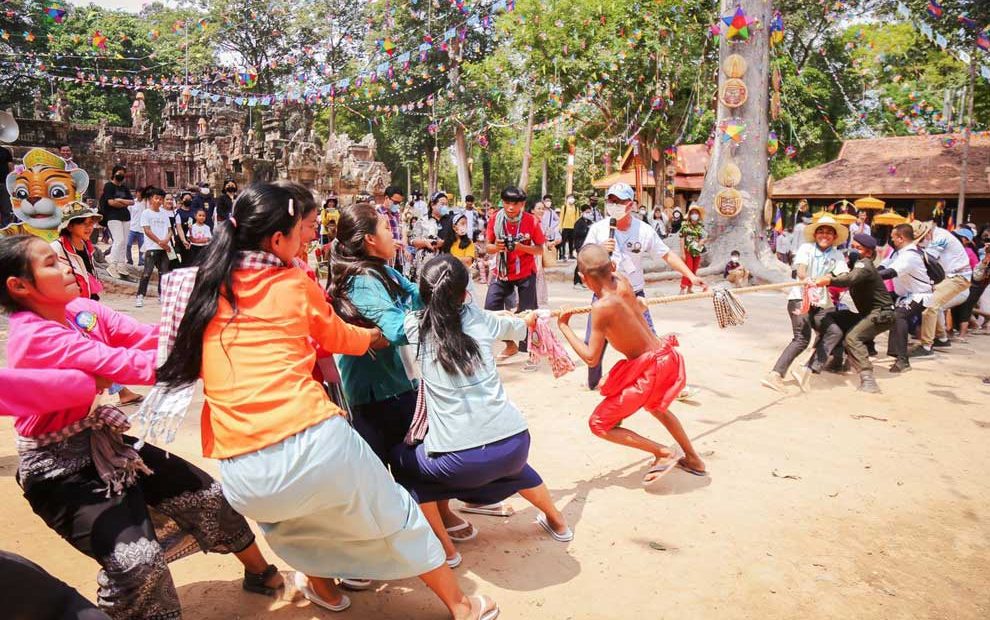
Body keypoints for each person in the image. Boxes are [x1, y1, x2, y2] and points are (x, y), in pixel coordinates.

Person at [154, 182, 498, 619]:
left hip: (242, 470)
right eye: (306, 229)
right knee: (395, 514)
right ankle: (462, 605)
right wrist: (374, 335)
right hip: (314, 440)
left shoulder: (194, 290)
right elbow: (341, 337)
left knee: (297, 529)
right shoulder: (293, 282)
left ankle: (327, 591)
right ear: (278, 239)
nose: (311, 238)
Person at [1, 234, 283, 619]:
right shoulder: (33, 337)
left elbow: (147, 337)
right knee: (138, 562)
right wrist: (216, 346)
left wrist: (206, 324)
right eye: (51, 263)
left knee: (210, 495)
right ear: (19, 286)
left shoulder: (82, 311)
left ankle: (259, 571)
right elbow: (125, 364)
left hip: (107, 444)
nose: (67, 266)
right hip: (58, 470)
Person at [394, 255, 573, 563]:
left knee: (403, 463)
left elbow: (430, 315)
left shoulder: (413, 325)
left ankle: (446, 552)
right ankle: (558, 521)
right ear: (465, 294)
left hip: (459, 462)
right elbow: (518, 328)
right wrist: (528, 318)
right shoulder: (478, 318)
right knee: (511, 464)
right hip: (516, 444)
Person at [328, 203, 482, 549]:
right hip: (372, 393)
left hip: (398, 382)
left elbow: (417, 296)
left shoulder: (383, 271)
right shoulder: (362, 281)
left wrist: (444, 284)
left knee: (422, 454)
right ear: (369, 239)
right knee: (375, 470)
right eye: (386, 228)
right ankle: (370, 544)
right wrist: (436, 312)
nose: (393, 235)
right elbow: (398, 328)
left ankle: (436, 515)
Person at [557, 244, 707, 481]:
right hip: (665, 355)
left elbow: (591, 357)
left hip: (649, 368)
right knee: (657, 407)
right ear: (613, 267)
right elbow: (635, 307)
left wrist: (564, 326)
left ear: (583, 278)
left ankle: (664, 452)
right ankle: (694, 459)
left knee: (599, 423)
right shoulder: (623, 280)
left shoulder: (601, 308)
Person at [582, 182, 705, 390]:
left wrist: (691, 276)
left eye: (619, 201)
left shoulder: (644, 230)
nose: (614, 205)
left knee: (650, 340)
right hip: (603, 295)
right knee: (593, 343)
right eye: (611, 200)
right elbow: (584, 258)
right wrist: (600, 250)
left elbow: (667, 254)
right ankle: (593, 381)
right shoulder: (597, 230)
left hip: (633, 295)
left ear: (630, 205)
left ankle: (665, 381)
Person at [762, 216, 849, 393]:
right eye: (821, 231)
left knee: (834, 332)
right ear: (816, 234)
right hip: (800, 298)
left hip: (821, 302)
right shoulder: (806, 248)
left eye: (829, 233)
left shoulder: (837, 254)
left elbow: (843, 276)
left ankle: (807, 369)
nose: (824, 235)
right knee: (802, 339)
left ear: (834, 236)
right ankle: (775, 375)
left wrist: (827, 280)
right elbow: (801, 269)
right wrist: (806, 279)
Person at [813, 233, 894, 393]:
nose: (854, 251)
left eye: (859, 248)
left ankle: (868, 380)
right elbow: (847, 277)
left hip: (882, 315)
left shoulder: (865, 265)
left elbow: (849, 279)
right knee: (833, 318)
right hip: (868, 315)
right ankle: (837, 360)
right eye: (853, 247)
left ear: (869, 252)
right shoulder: (856, 267)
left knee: (853, 337)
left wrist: (829, 280)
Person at [484, 187, 545, 360]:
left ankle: (531, 352)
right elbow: (487, 247)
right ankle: (510, 344)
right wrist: (498, 247)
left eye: (515, 204)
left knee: (527, 313)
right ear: (502, 202)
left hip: (525, 272)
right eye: (507, 203)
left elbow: (540, 250)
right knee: (490, 311)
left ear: (523, 204)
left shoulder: (531, 221)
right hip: (502, 272)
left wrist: (521, 247)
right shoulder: (495, 218)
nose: (510, 207)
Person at [877, 223, 933, 373]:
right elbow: (883, 266)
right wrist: (869, 271)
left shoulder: (910, 255)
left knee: (898, 316)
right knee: (892, 316)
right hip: (906, 296)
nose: (892, 240)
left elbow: (890, 272)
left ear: (901, 238)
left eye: (893, 237)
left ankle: (903, 360)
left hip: (920, 295)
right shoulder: (898, 253)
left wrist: (869, 276)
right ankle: (897, 354)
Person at [911, 221, 972, 356]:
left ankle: (926, 347)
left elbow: (928, 259)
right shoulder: (934, 236)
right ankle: (942, 338)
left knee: (930, 305)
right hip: (950, 277)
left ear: (927, 232)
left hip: (958, 277)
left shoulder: (941, 237)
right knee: (935, 305)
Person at [53, 201, 104, 301]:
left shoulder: (87, 246)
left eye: (91, 223)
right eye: (84, 224)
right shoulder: (55, 249)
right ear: (70, 226)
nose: (89, 228)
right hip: (70, 303)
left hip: (89, 300)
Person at [135, 187, 170, 308]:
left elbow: (170, 230)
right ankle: (140, 295)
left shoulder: (165, 213)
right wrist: (160, 241)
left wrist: (166, 241)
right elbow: (147, 230)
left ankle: (162, 295)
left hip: (164, 248)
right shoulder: (146, 213)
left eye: (161, 199)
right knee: (147, 273)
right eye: (157, 198)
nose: (159, 201)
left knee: (164, 273)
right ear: (151, 199)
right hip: (151, 247)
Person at [99, 164, 134, 280]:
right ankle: (112, 265)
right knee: (119, 240)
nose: (121, 176)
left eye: (123, 174)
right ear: (114, 174)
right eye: (119, 173)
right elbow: (110, 202)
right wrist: (123, 202)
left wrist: (119, 200)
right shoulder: (109, 186)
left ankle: (121, 265)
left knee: (124, 242)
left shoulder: (124, 188)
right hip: (113, 216)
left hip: (125, 217)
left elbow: (132, 202)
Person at [410, 191, 456, 280]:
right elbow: (413, 241)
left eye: (446, 204)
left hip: (446, 260)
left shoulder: (451, 220)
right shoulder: (423, 220)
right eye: (442, 204)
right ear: (432, 204)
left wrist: (444, 243)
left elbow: (457, 239)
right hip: (425, 261)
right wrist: (425, 242)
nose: (445, 207)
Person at [532, 199, 560, 311]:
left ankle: (537, 302)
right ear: (532, 210)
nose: (541, 211)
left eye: (543, 209)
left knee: (538, 277)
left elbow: (543, 241)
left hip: (539, 254)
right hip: (531, 254)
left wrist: (551, 242)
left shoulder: (542, 223)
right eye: (538, 208)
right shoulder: (532, 222)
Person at [679, 204, 706, 294]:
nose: (695, 215)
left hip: (697, 251)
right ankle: (682, 288)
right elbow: (682, 238)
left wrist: (701, 241)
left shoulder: (700, 226)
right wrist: (682, 252)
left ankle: (690, 288)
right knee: (687, 269)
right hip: (688, 251)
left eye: (696, 213)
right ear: (690, 215)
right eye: (693, 213)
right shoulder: (685, 225)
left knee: (694, 270)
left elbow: (704, 237)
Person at [379, 185, 407, 271]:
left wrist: (404, 246)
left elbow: (402, 232)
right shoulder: (377, 213)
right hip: (384, 260)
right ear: (387, 198)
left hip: (398, 259)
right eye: (395, 203)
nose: (397, 205)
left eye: (399, 203)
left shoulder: (397, 214)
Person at [571, 204, 594, 287]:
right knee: (580, 264)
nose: (589, 214)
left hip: (588, 245)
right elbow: (576, 234)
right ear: (583, 212)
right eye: (587, 212)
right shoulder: (579, 222)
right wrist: (587, 230)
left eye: (590, 212)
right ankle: (576, 282)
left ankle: (582, 281)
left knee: (585, 264)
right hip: (580, 245)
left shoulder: (590, 222)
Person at [125, 187, 147, 267]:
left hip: (142, 229)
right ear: (136, 193)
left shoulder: (146, 203)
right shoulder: (132, 203)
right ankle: (129, 260)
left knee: (141, 247)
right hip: (132, 227)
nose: (140, 194)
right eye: (139, 192)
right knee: (128, 244)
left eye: (142, 192)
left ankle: (141, 262)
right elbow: (128, 214)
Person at [559, 194, 580, 260]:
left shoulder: (576, 208)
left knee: (571, 242)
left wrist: (577, 228)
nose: (572, 199)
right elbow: (561, 217)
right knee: (563, 242)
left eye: (573, 198)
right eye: (570, 198)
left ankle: (571, 254)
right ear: (567, 199)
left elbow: (577, 218)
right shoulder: (564, 207)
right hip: (565, 227)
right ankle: (562, 254)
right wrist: (560, 227)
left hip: (573, 227)